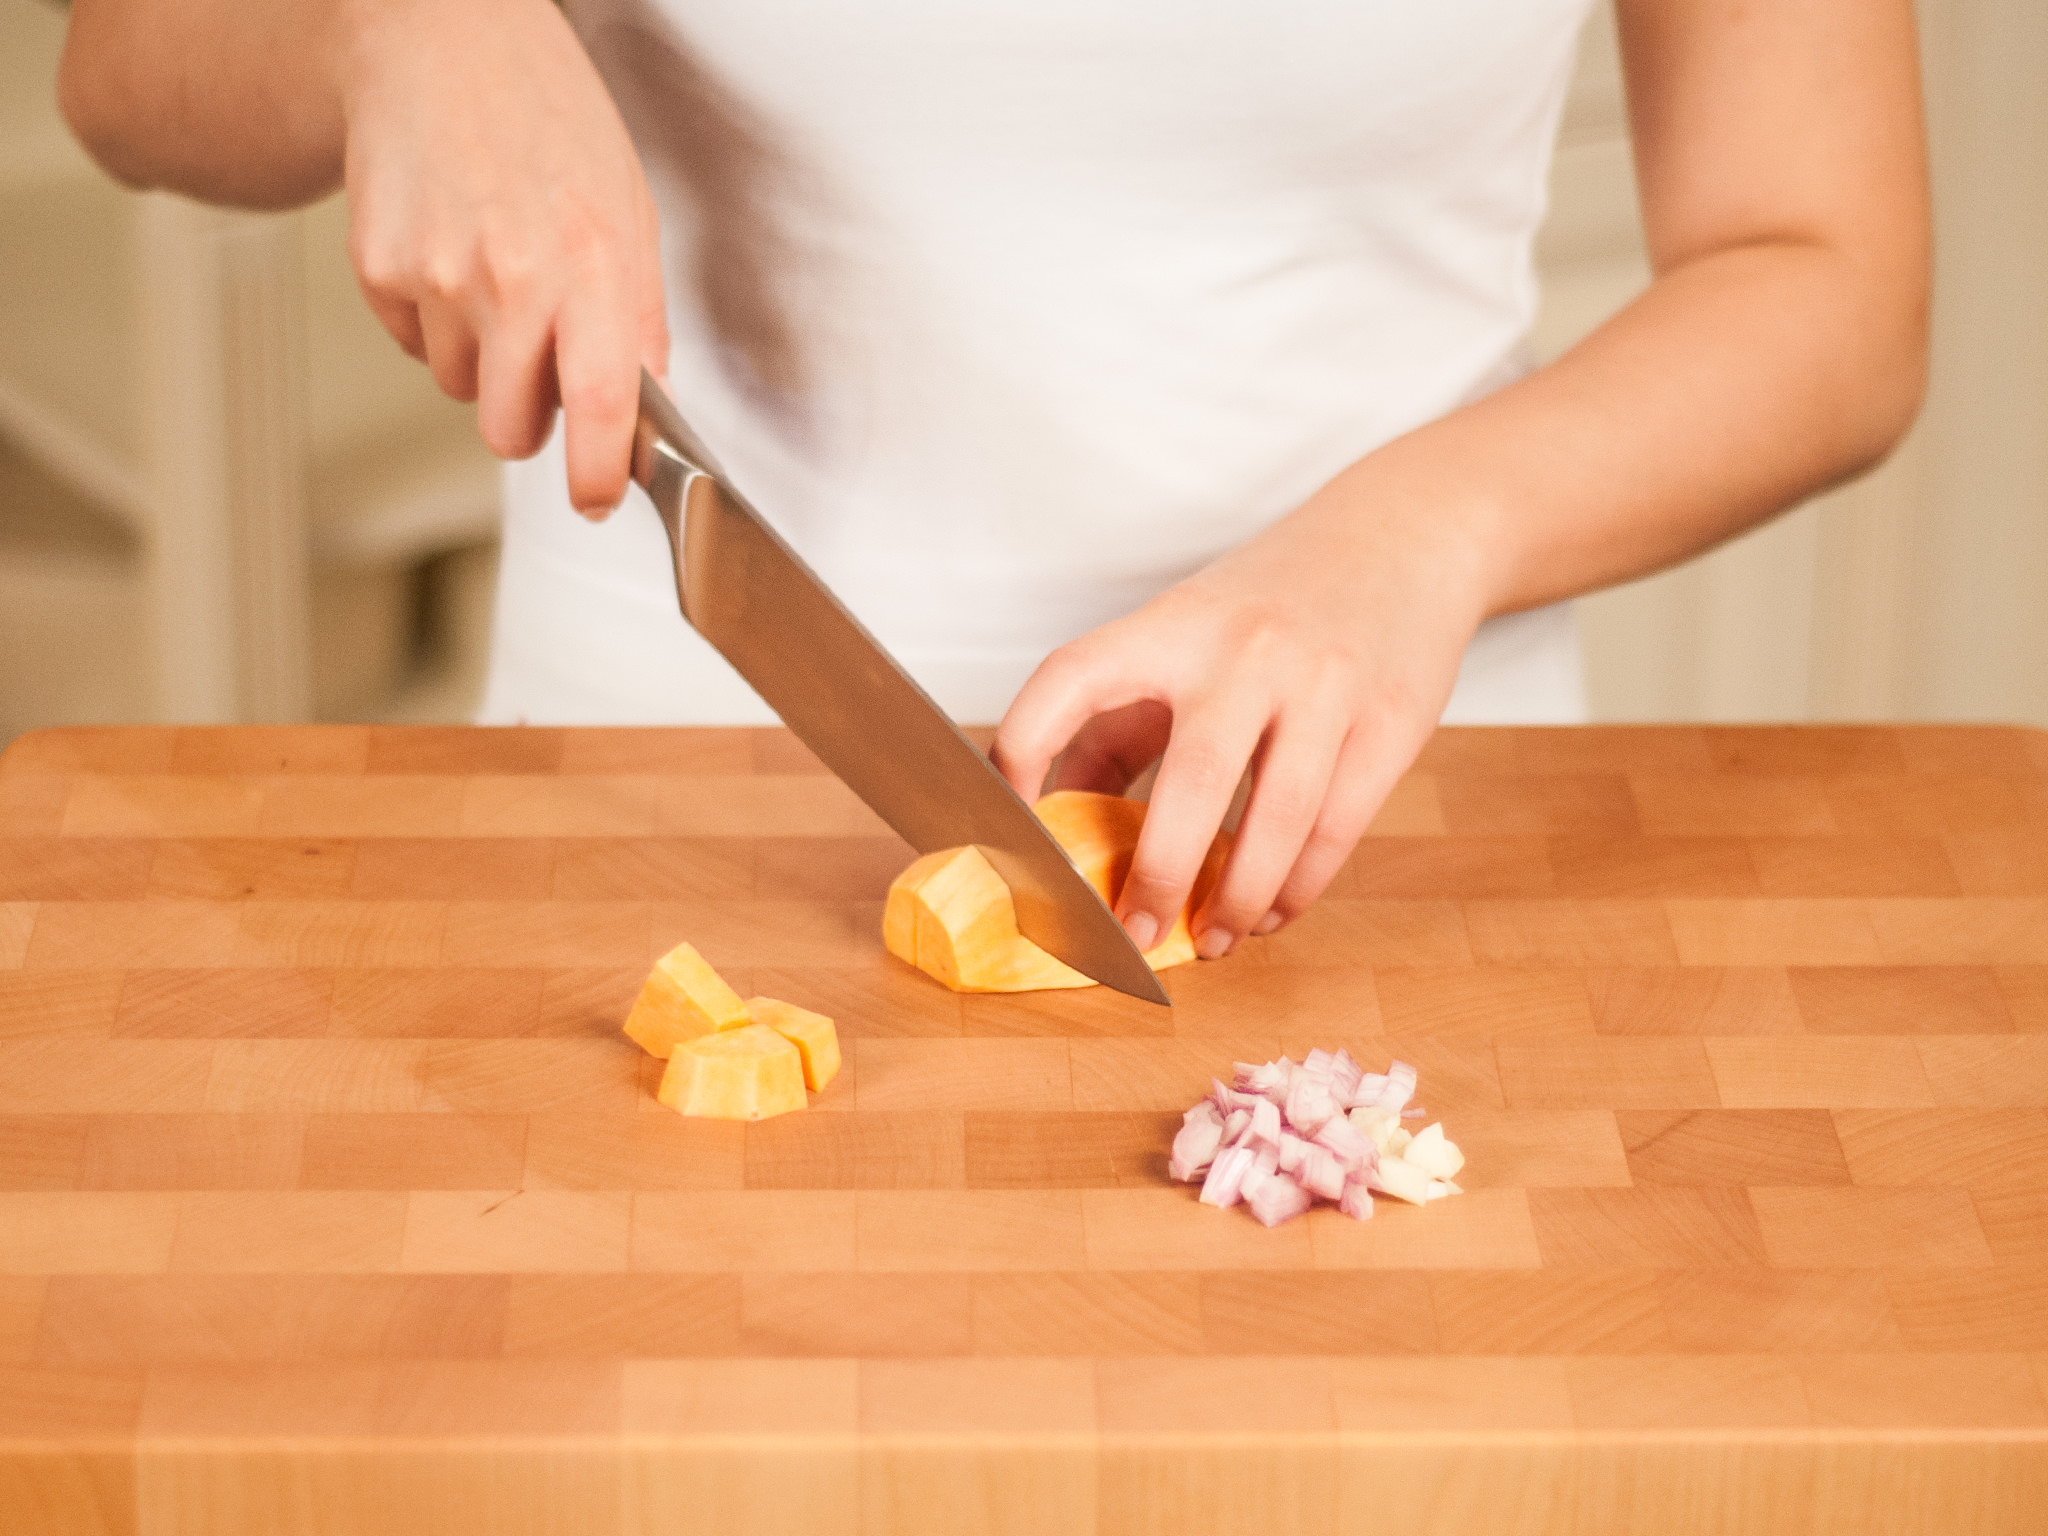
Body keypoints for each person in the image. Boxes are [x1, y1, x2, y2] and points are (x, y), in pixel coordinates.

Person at [58, 0, 1929, 963]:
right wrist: (405, 22)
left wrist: (1414, 536)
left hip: (1390, 836)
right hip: (644, 803)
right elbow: (122, 65)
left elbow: (1827, 273)